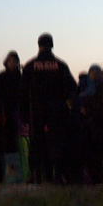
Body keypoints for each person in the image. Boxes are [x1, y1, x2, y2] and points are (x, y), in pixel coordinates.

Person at [22, 33, 75, 183]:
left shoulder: (30, 66)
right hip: (57, 109)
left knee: (36, 142)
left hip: (36, 110)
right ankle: (57, 175)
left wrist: (24, 112)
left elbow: (23, 91)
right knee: (56, 143)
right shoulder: (61, 65)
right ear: (52, 45)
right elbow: (71, 88)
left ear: (38, 45)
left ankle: (37, 175)